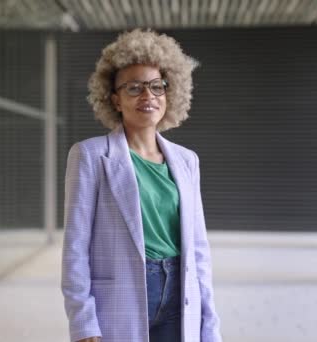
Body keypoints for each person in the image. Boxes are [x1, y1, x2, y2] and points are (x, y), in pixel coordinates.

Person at [61, 29, 222, 342]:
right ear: (115, 100)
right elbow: (75, 249)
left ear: (169, 93)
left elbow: (199, 252)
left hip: (179, 293)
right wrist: (83, 323)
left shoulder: (187, 161)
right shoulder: (91, 156)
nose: (147, 96)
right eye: (134, 88)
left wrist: (209, 327)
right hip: (121, 298)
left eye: (156, 87)